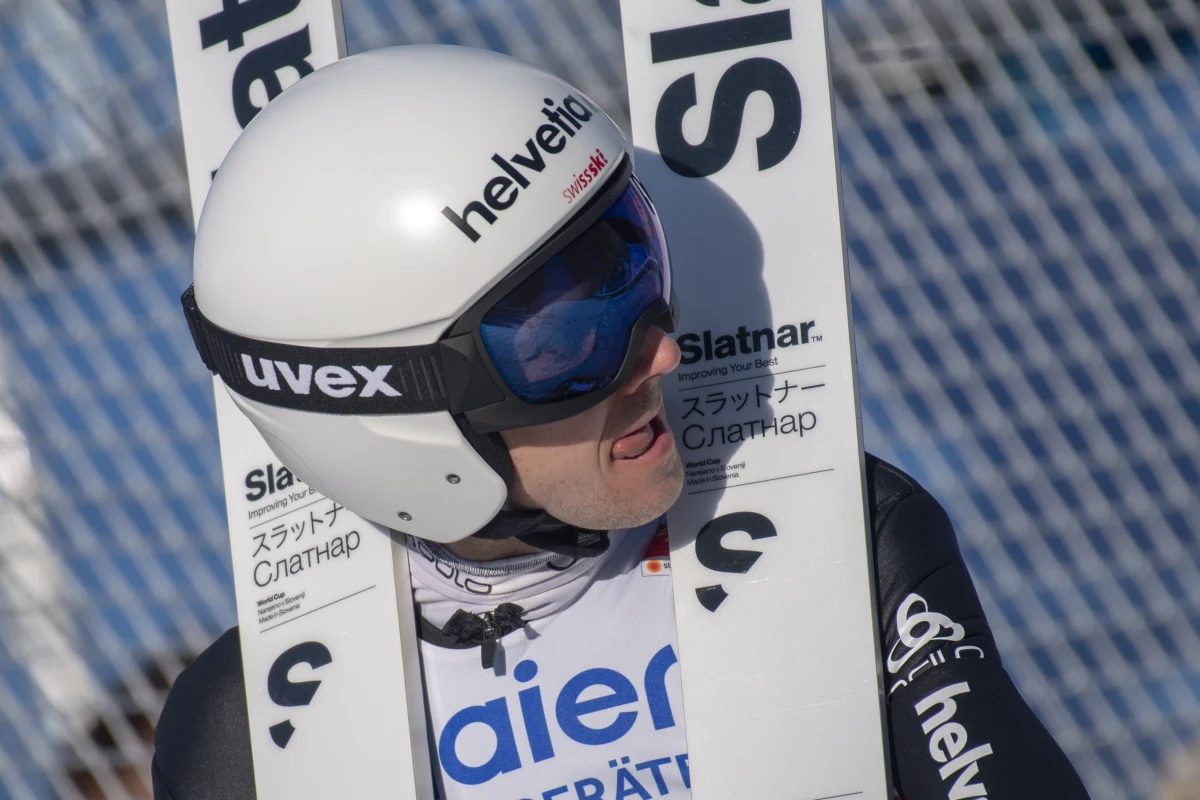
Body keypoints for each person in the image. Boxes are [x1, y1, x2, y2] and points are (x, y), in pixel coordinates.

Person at [154, 45, 1091, 799]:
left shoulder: (839, 535)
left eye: (634, 267)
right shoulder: (245, 736)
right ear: (398, 422)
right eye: (569, 341)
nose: (662, 355)